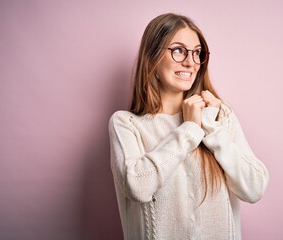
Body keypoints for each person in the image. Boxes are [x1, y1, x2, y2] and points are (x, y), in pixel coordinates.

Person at [109, 13, 269, 240]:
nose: (190, 62)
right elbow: (138, 187)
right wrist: (189, 130)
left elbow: (254, 188)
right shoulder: (126, 124)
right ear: (152, 56)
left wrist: (212, 129)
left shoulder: (218, 116)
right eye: (178, 50)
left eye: (197, 53)